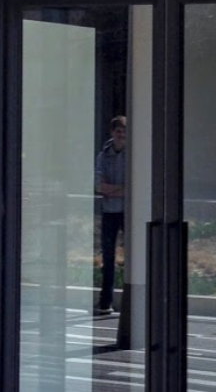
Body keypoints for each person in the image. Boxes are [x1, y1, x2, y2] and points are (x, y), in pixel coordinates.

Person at [95, 115, 126, 316]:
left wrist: (111, 189)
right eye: (118, 131)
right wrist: (120, 188)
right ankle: (105, 302)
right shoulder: (103, 156)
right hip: (110, 211)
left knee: (135, 257)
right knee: (108, 257)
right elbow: (98, 185)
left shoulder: (134, 154)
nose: (121, 135)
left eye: (124, 132)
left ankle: (135, 300)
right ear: (112, 133)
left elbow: (134, 186)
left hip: (129, 212)